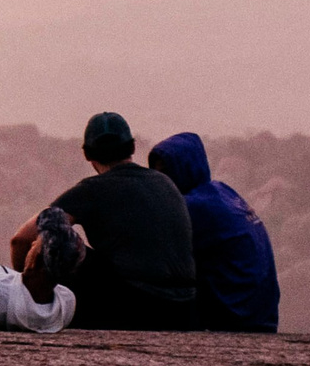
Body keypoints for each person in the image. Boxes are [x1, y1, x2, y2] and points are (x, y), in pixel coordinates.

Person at [32, 112, 197, 331]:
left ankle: (40, 311)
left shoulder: (92, 189)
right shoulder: (165, 182)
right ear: (132, 148)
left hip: (133, 308)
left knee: (59, 241)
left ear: (88, 155)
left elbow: (21, 239)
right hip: (184, 309)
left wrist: (27, 286)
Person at [147, 132, 279, 333]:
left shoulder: (192, 206)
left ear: (185, 169)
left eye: (167, 174)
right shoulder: (222, 191)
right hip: (262, 314)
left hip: (236, 317)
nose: (164, 183)